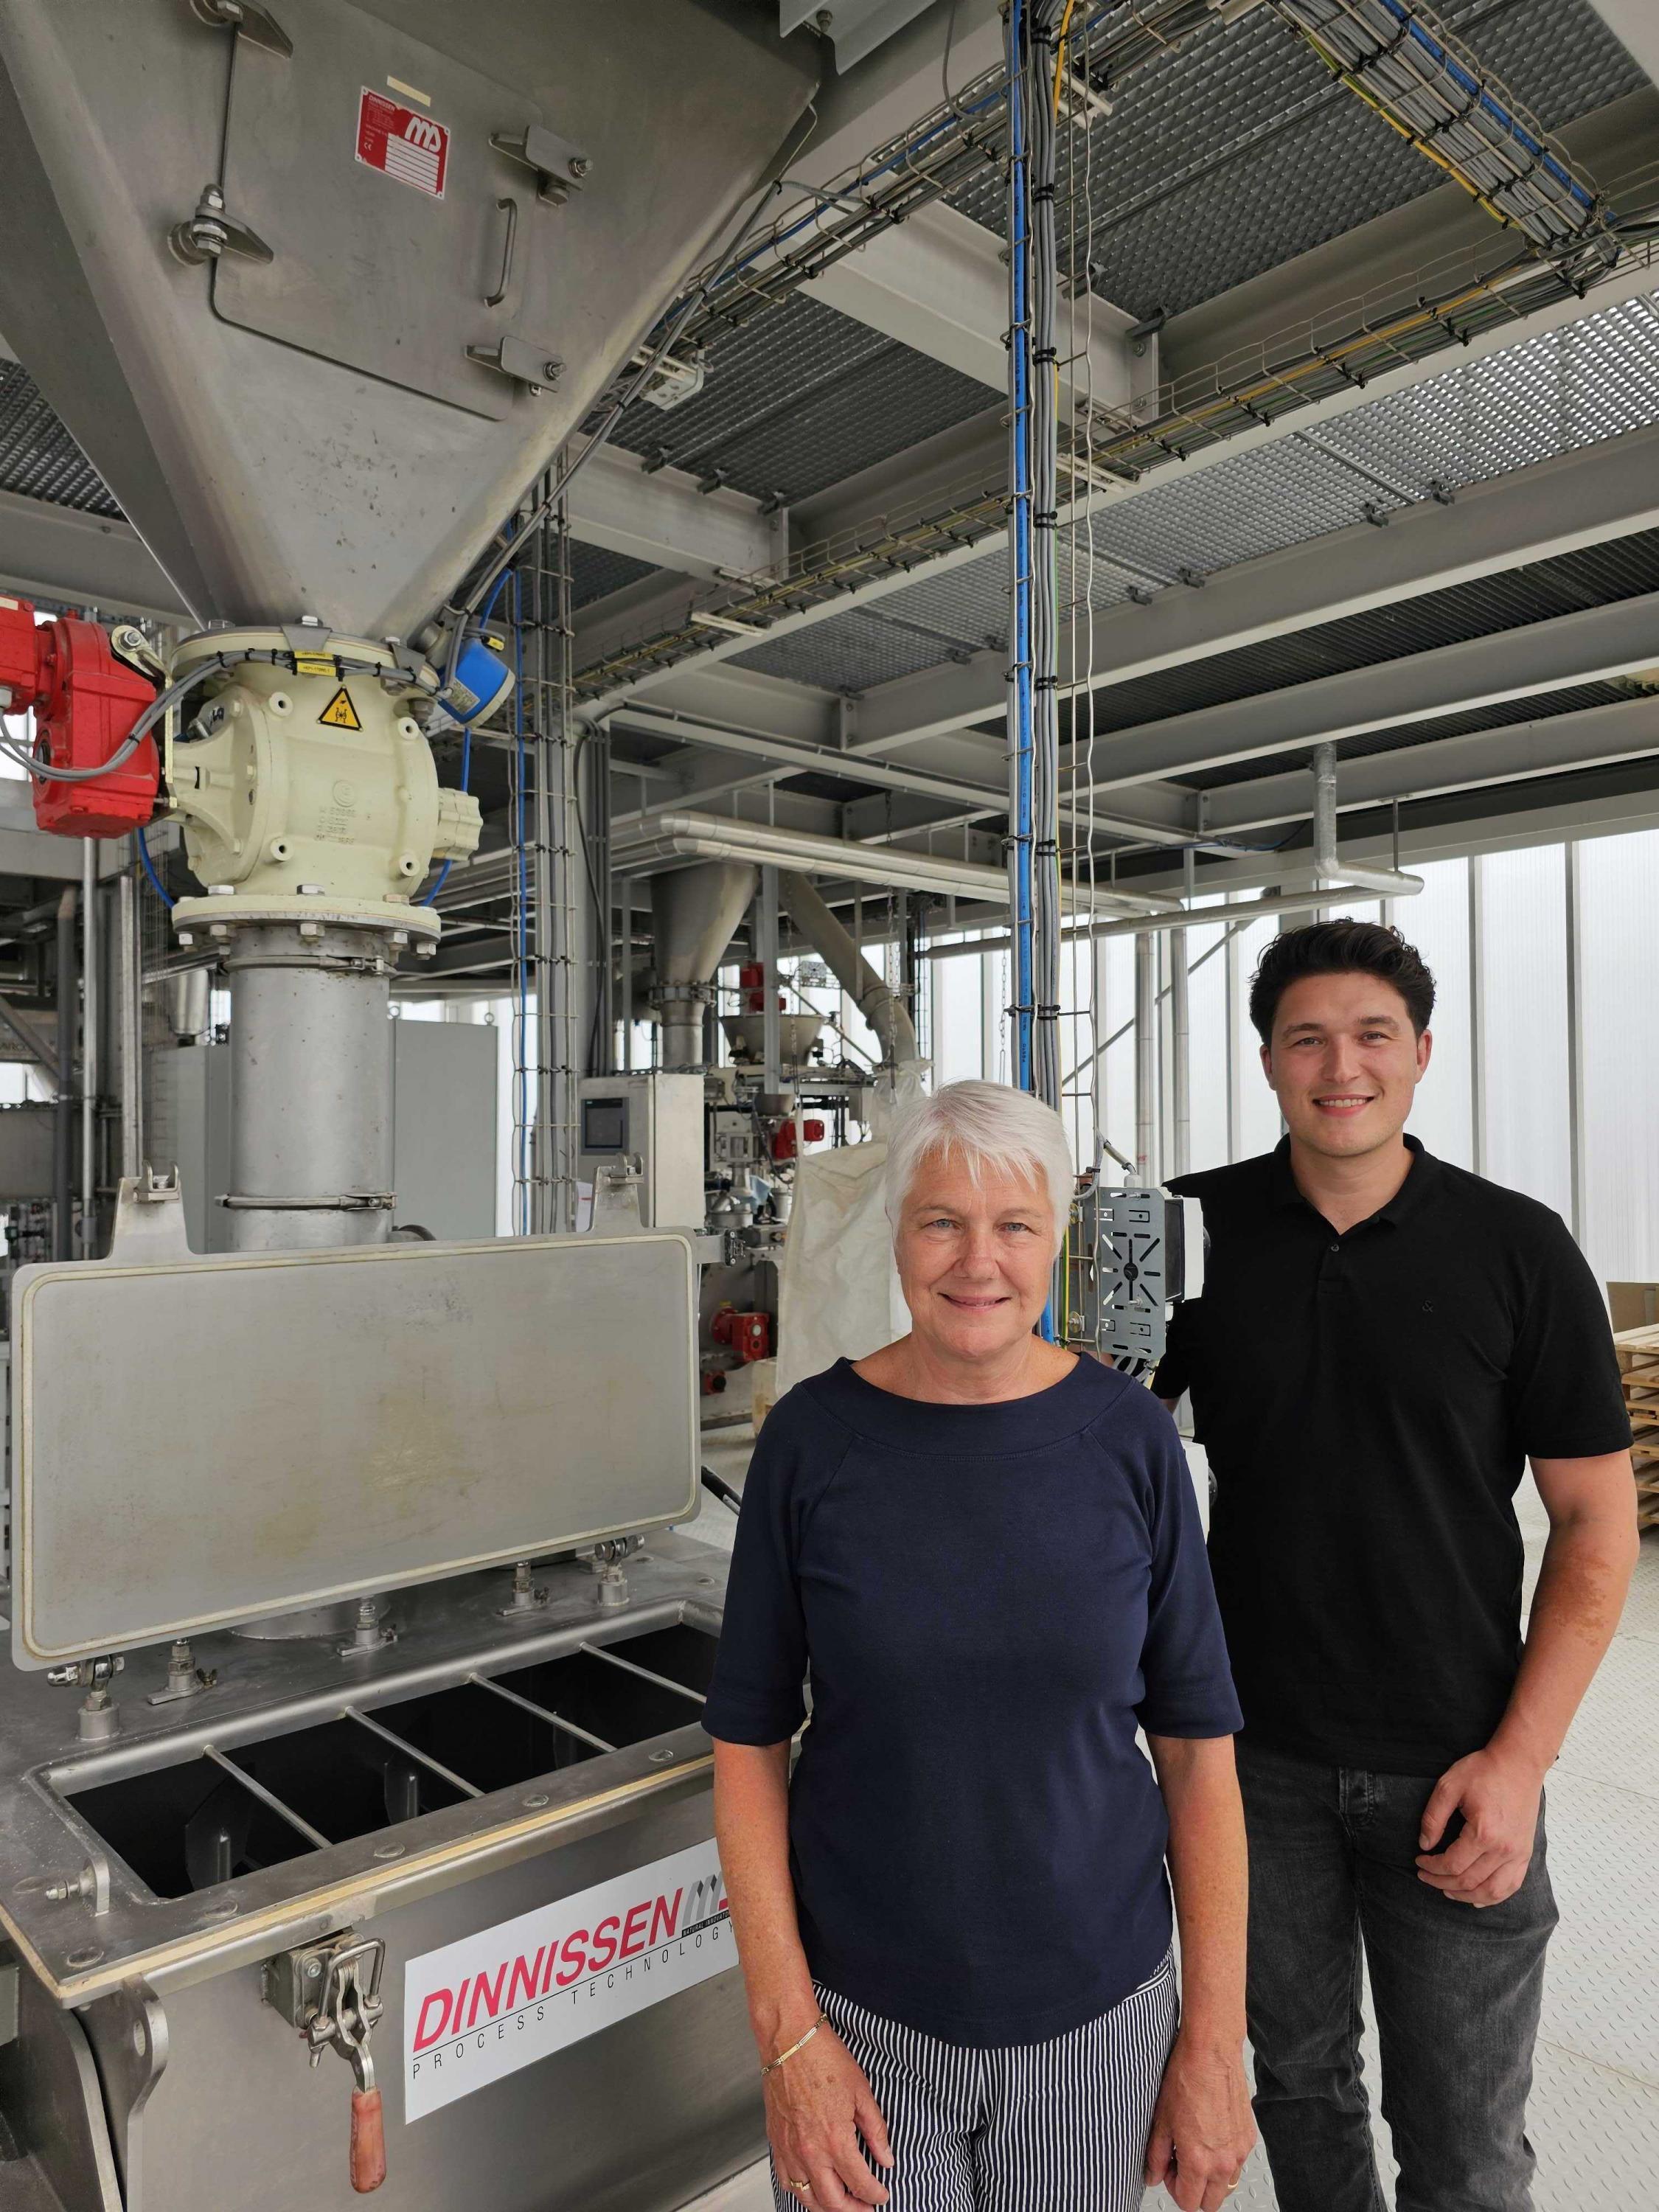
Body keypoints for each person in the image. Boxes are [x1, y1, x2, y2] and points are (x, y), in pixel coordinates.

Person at [1152, 919, 1639, 2212]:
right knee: (1300, 2089)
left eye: (1371, 1036)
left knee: (1467, 2147)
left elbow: (1593, 1522)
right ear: (1266, 1062)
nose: (1340, 1065)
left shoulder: (1517, 1249)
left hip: (1456, 1758)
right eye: (1305, 1038)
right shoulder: (1191, 1235)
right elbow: (1092, 1441)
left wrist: (1520, 1763)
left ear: (1420, 1054)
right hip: (1247, 1757)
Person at [703, 1079, 1255, 2212]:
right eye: (940, 1221)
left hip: (1097, 2018)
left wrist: (1211, 2044)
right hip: (861, 2021)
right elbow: (747, 1746)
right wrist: (787, 2036)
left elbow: (1200, 1759)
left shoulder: (1131, 1442)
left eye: (1013, 1225)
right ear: (897, 1232)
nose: (976, 1261)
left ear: (1057, 1240)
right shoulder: (811, 1441)